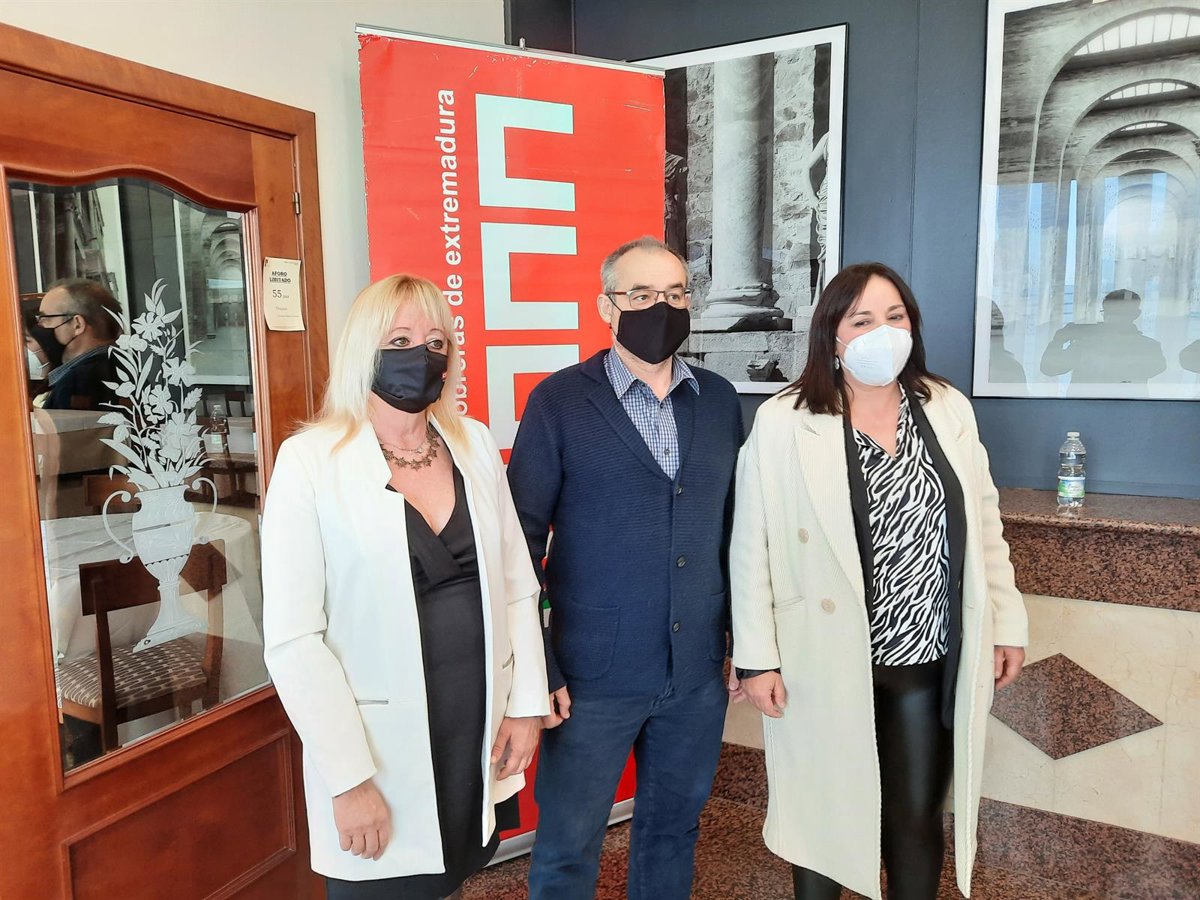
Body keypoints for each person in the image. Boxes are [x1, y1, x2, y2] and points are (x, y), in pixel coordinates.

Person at [732, 262, 1028, 900]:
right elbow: (751, 545)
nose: (882, 333)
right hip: (823, 661)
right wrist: (757, 658)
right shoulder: (784, 419)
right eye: (862, 320)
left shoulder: (945, 407)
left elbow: (985, 523)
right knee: (824, 822)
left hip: (924, 659)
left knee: (915, 819)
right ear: (831, 335)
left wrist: (1006, 621)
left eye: (895, 317)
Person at [261, 274, 549, 900]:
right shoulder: (310, 461)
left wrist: (525, 704)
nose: (423, 354)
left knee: (453, 876)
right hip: (376, 748)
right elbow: (294, 640)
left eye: (437, 341)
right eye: (400, 340)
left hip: (474, 727)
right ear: (363, 350)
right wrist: (349, 779)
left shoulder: (472, 442)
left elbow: (517, 586)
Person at [508, 236, 744, 900]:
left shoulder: (719, 401)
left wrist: (745, 643)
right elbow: (519, 545)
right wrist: (541, 668)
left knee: (672, 833)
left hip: (695, 674)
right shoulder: (558, 402)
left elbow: (740, 534)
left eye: (674, 294)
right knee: (568, 844)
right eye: (640, 295)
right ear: (605, 307)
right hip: (591, 677)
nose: (660, 308)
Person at [1040, 288, 1166, 386]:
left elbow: (1153, 369)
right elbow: (1049, 369)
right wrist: (1058, 341)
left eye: (1119, 313)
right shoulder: (1086, 344)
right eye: (1110, 312)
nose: (1112, 318)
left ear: (1136, 314)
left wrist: (1058, 341)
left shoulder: (1149, 348)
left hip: (1109, 409)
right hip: (1090, 409)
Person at [29, 278, 121, 410]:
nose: (40, 326)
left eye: (45, 319)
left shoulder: (78, 382)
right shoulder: (122, 368)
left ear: (77, 324)